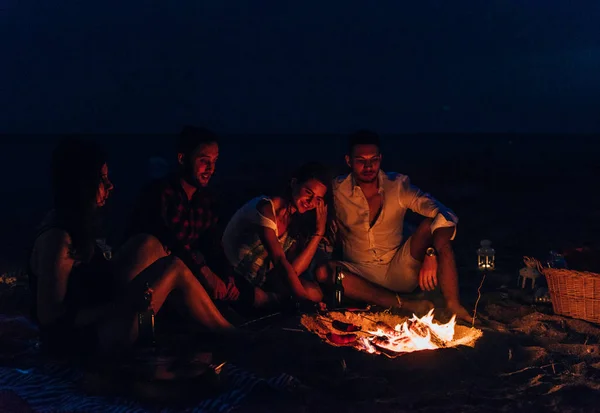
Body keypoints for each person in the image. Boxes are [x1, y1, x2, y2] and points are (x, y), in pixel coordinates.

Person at [28, 137, 234, 357]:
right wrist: (123, 303)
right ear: (83, 184)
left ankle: (191, 322)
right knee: (173, 268)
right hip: (81, 342)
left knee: (150, 244)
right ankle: (228, 332)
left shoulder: (76, 225)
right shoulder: (58, 238)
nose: (110, 186)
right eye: (102, 178)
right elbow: (51, 317)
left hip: (100, 311)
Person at [315, 130, 473, 323]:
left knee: (433, 225)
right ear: (349, 161)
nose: (368, 166)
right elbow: (318, 221)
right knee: (324, 271)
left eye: (373, 159)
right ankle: (406, 304)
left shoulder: (397, 185)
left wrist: (431, 252)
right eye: (360, 160)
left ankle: (453, 305)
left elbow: (445, 213)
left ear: (380, 158)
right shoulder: (337, 190)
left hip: (400, 269)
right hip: (359, 274)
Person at [128, 126, 242, 305]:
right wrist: (205, 272)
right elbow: (171, 243)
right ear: (182, 159)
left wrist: (228, 277)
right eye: (204, 161)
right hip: (152, 281)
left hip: (190, 273)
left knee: (243, 293)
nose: (210, 169)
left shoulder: (206, 200)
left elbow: (213, 242)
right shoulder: (159, 193)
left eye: (214, 161)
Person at [222, 162, 330, 309]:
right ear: (294, 183)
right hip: (232, 275)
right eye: (308, 192)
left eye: (318, 199)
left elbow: (294, 270)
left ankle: (274, 300)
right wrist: (304, 300)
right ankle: (275, 301)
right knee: (261, 297)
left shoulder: (295, 222)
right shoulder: (265, 207)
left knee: (314, 292)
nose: (311, 202)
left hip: (259, 282)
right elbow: (278, 259)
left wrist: (319, 233)